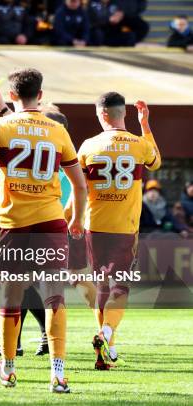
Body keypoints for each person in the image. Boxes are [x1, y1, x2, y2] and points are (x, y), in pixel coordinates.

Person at [0, 68, 87, 393]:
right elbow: (79, 183)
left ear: (11, 96)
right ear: (41, 95)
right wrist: (76, 218)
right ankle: (59, 374)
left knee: (12, 296)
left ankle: (7, 369)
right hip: (50, 221)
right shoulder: (57, 131)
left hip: (13, 223)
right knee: (54, 297)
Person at [77, 94, 161, 370]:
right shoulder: (138, 144)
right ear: (122, 113)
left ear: (101, 115)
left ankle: (105, 353)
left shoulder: (89, 146)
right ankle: (107, 334)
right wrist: (145, 125)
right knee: (120, 286)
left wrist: (74, 217)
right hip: (126, 227)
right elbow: (156, 161)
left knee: (102, 286)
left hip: (95, 225)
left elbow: (78, 185)